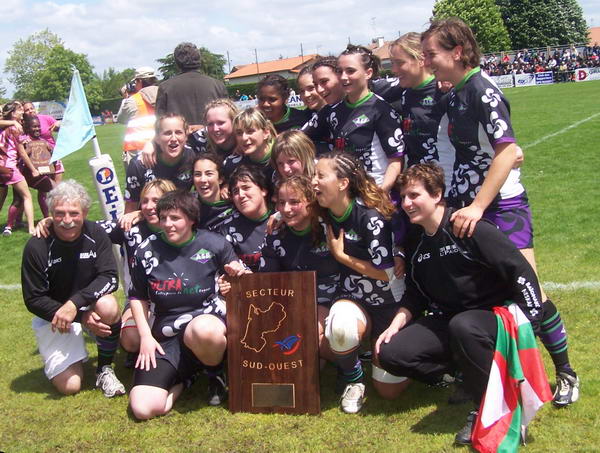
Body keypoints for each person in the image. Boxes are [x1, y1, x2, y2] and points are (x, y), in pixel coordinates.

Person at [421, 18, 579, 406]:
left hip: (502, 207)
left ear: (457, 51)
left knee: (529, 289)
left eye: (432, 54)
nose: (427, 62)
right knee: (481, 292)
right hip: (468, 207)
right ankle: (489, 373)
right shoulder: (455, 94)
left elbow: (507, 152)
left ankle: (566, 373)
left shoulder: (482, 90)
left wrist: (478, 205)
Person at [376, 163, 544, 445]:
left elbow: (520, 271)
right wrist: (395, 324)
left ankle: (487, 410)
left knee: (464, 325)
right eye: (403, 197)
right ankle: (463, 375)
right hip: (452, 321)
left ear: (437, 194)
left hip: (494, 318)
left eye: (414, 195)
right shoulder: (416, 239)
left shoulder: (468, 227)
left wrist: (530, 324)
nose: (406, 203)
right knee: (391, 352)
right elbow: (416, 294)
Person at [128, 190, 246, 419]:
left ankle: (215, 374)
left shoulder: (214, 244)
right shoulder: (145, 250)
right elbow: (137, 297)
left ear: (191, 219)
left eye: (175, 218)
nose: (167, 224)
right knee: (143, 409)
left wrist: (235, 274)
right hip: (166, 334)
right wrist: (145, 337)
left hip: (205, 325)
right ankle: (187, 378)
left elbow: (241, 277)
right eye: (163, 218)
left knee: (203, 329)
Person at [312, 151, 408, 414]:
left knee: (388, 391)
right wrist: (276, 218)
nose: (314, 181)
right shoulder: (324, 211)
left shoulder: (369, 217)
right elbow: (294, 207)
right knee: (340, 327)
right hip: (353, 297)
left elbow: (387, 274)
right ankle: (353, 378)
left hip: (389, 301)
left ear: (343, 183)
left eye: (321, 176)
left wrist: (342, 257)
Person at [21, 180, 125, 397]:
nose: (67, 220)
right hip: (55, 315)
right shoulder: (37, 245)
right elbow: (34, 299)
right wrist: (80, 316)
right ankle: (73, 342)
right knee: (70, 386)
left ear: (84, 213)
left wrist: (75, 305)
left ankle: (104, 368)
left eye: (74, 213)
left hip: (85, 305)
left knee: (108, 305)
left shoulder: (95, 233)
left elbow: (109, 277)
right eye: (59, 213)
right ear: (50, 213)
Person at [258, 175, 339, 365]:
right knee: (286, 334)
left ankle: (347, 366)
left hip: (333, 297)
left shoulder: (329, 227)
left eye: (294, 202)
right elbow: (267, 279)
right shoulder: (274, 235)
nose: (286, 209)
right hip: (295, 299)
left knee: (306, 333)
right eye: (281, 203)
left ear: (310, 202)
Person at [303, 46, 405, 192]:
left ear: (368, 73)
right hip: (348, 194)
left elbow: (396, 161)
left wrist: (382, 192)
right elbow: (300, 137)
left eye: (350, 71)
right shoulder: (333, 111)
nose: (344, 77)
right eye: (340, 71)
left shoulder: (380, 109)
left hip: (375, 193)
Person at [124, 114, 193, 213]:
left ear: (186, 136)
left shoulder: (192, 156)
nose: (174, 138)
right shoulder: (139, 165)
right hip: (149, 217)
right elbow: (130, 209)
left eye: (178, 132)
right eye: (167, 133)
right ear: (156, 138)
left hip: (178, 216)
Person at [155, 42, 228, 129]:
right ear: (199, 60)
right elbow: (228, 116)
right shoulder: (218, 85)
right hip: (212, 135)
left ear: (177, 62)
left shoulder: (165, 87)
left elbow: (160, 122)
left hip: (179, 136)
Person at [219, 165, 272, 272]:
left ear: (263, 190)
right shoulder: (227, 229)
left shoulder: (282, 218)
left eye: (246, 187)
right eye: (235, 191)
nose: (241, 195)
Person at [0, 101, 37, 235]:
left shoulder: (3, 128)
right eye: (19, 109)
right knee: (27, 196)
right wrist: (33, 169)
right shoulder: (14, 128)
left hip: (1, 168)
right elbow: (22, 152)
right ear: (13, 113)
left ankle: (11, 225)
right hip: (10, 168)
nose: (22, 111)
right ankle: (31, 228)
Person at [116, 67, 159, 166]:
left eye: (136, 81)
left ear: (139, 81)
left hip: (137, 149)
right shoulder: (163, 94)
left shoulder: (133, 100)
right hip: (160, 146)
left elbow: (121, 119)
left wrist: (125, 98)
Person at [223, 108, 276, 185]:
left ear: (266, 133)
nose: (244, 138)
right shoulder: (233, 165)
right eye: (239, 133)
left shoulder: (282, 155)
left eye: (250, 131)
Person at [22, 101, 64, 183]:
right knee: (46, 186)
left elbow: (60, 127)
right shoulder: (22, 124)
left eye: (31, 108)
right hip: (37, 160)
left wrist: (59, 123)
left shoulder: (45, 118)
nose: (30, 111)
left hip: (53, 155)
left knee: (58, 186)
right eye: (27, 110)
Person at [192, 153, 234, 230]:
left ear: (220, 179)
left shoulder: (235, 205)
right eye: (197, 174)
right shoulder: (186, 204)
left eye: (209, 174)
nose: (203, 180)